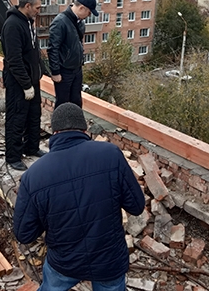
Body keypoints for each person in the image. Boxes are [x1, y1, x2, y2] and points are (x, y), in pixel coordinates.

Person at [13, 103, 145, 291]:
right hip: (108, 260)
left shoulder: (34, 175)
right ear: (84, 129)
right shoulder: (111, 155)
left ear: (54, 132)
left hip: (65, 262)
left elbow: (24, 234)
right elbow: (137, 206)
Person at [0, 0, 48, 171]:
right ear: (27, 6)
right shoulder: (13, 25)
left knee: (34, 115)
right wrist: (26, 85)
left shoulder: (28, 22)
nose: (38, 11)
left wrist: (39, 72)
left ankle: (31, 147)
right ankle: (13, 156)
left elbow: (32, 51)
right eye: (37, 8)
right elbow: (14, 60)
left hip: (32, 79)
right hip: (18, 82)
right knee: (17, 118)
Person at [48, 0, 98, 108]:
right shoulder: (60, 22)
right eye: (89, 12)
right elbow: (52, 49)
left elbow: (78, 44)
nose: (88, 15)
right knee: (63, 104)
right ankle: (61, 126)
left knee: (76, 102)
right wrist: (55, 72)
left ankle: (75, 126)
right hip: (64, 71)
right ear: (82, 8)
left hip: (76, 70)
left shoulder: (80, 23)